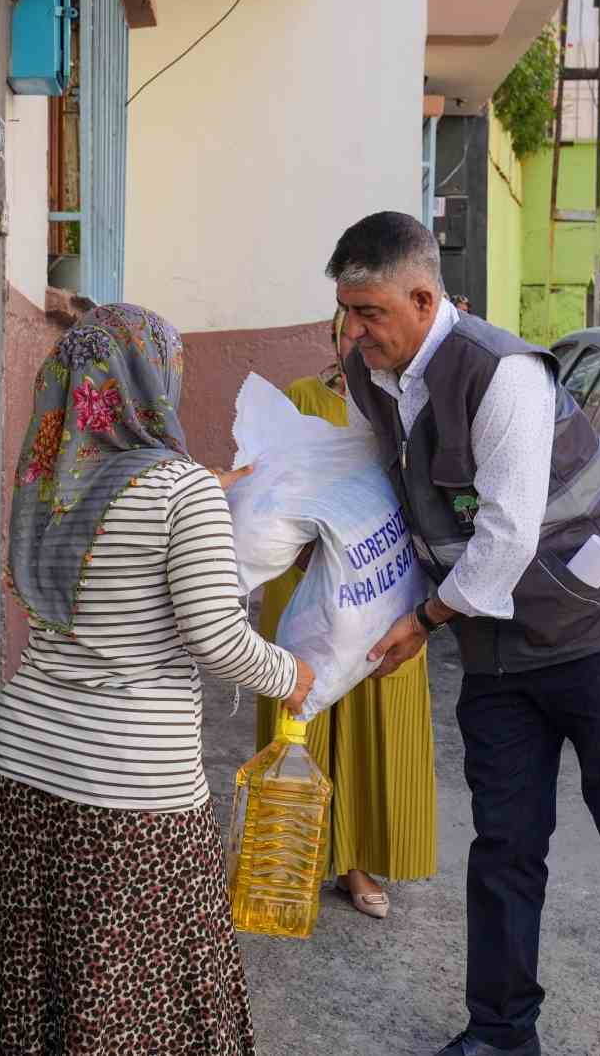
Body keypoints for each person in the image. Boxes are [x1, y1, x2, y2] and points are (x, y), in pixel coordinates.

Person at [326, 212, 600, 1056]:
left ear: (424, 298)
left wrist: (421, 623)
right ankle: (500, 1034)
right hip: (500, 651)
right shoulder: (370, 374)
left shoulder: (503, 375)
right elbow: (360, 490)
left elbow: (503, 543)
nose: (354, 332)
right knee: (503, 846)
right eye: (346, 313)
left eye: (370, 313)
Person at [0, 304, 315, 1056]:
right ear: (154, 380)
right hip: (130, 786)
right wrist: (291, 673)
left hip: (26, 763)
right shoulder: (183, 494)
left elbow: (112, 542)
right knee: (129, 990)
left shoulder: (50, 486)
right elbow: (216, 638)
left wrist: (196, 490)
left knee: (34, 976)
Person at [253, 310, 437, 921]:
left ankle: (358, 859)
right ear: (336, 336)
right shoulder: (302, 399)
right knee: (301, 710)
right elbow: (269, 489)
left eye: (369, 328)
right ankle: (290, 859)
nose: (357, 340)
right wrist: (307, 549)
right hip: (307, 581)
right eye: (347, 329)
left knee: (375, 706)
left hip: (381, 587)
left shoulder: (407, 405)